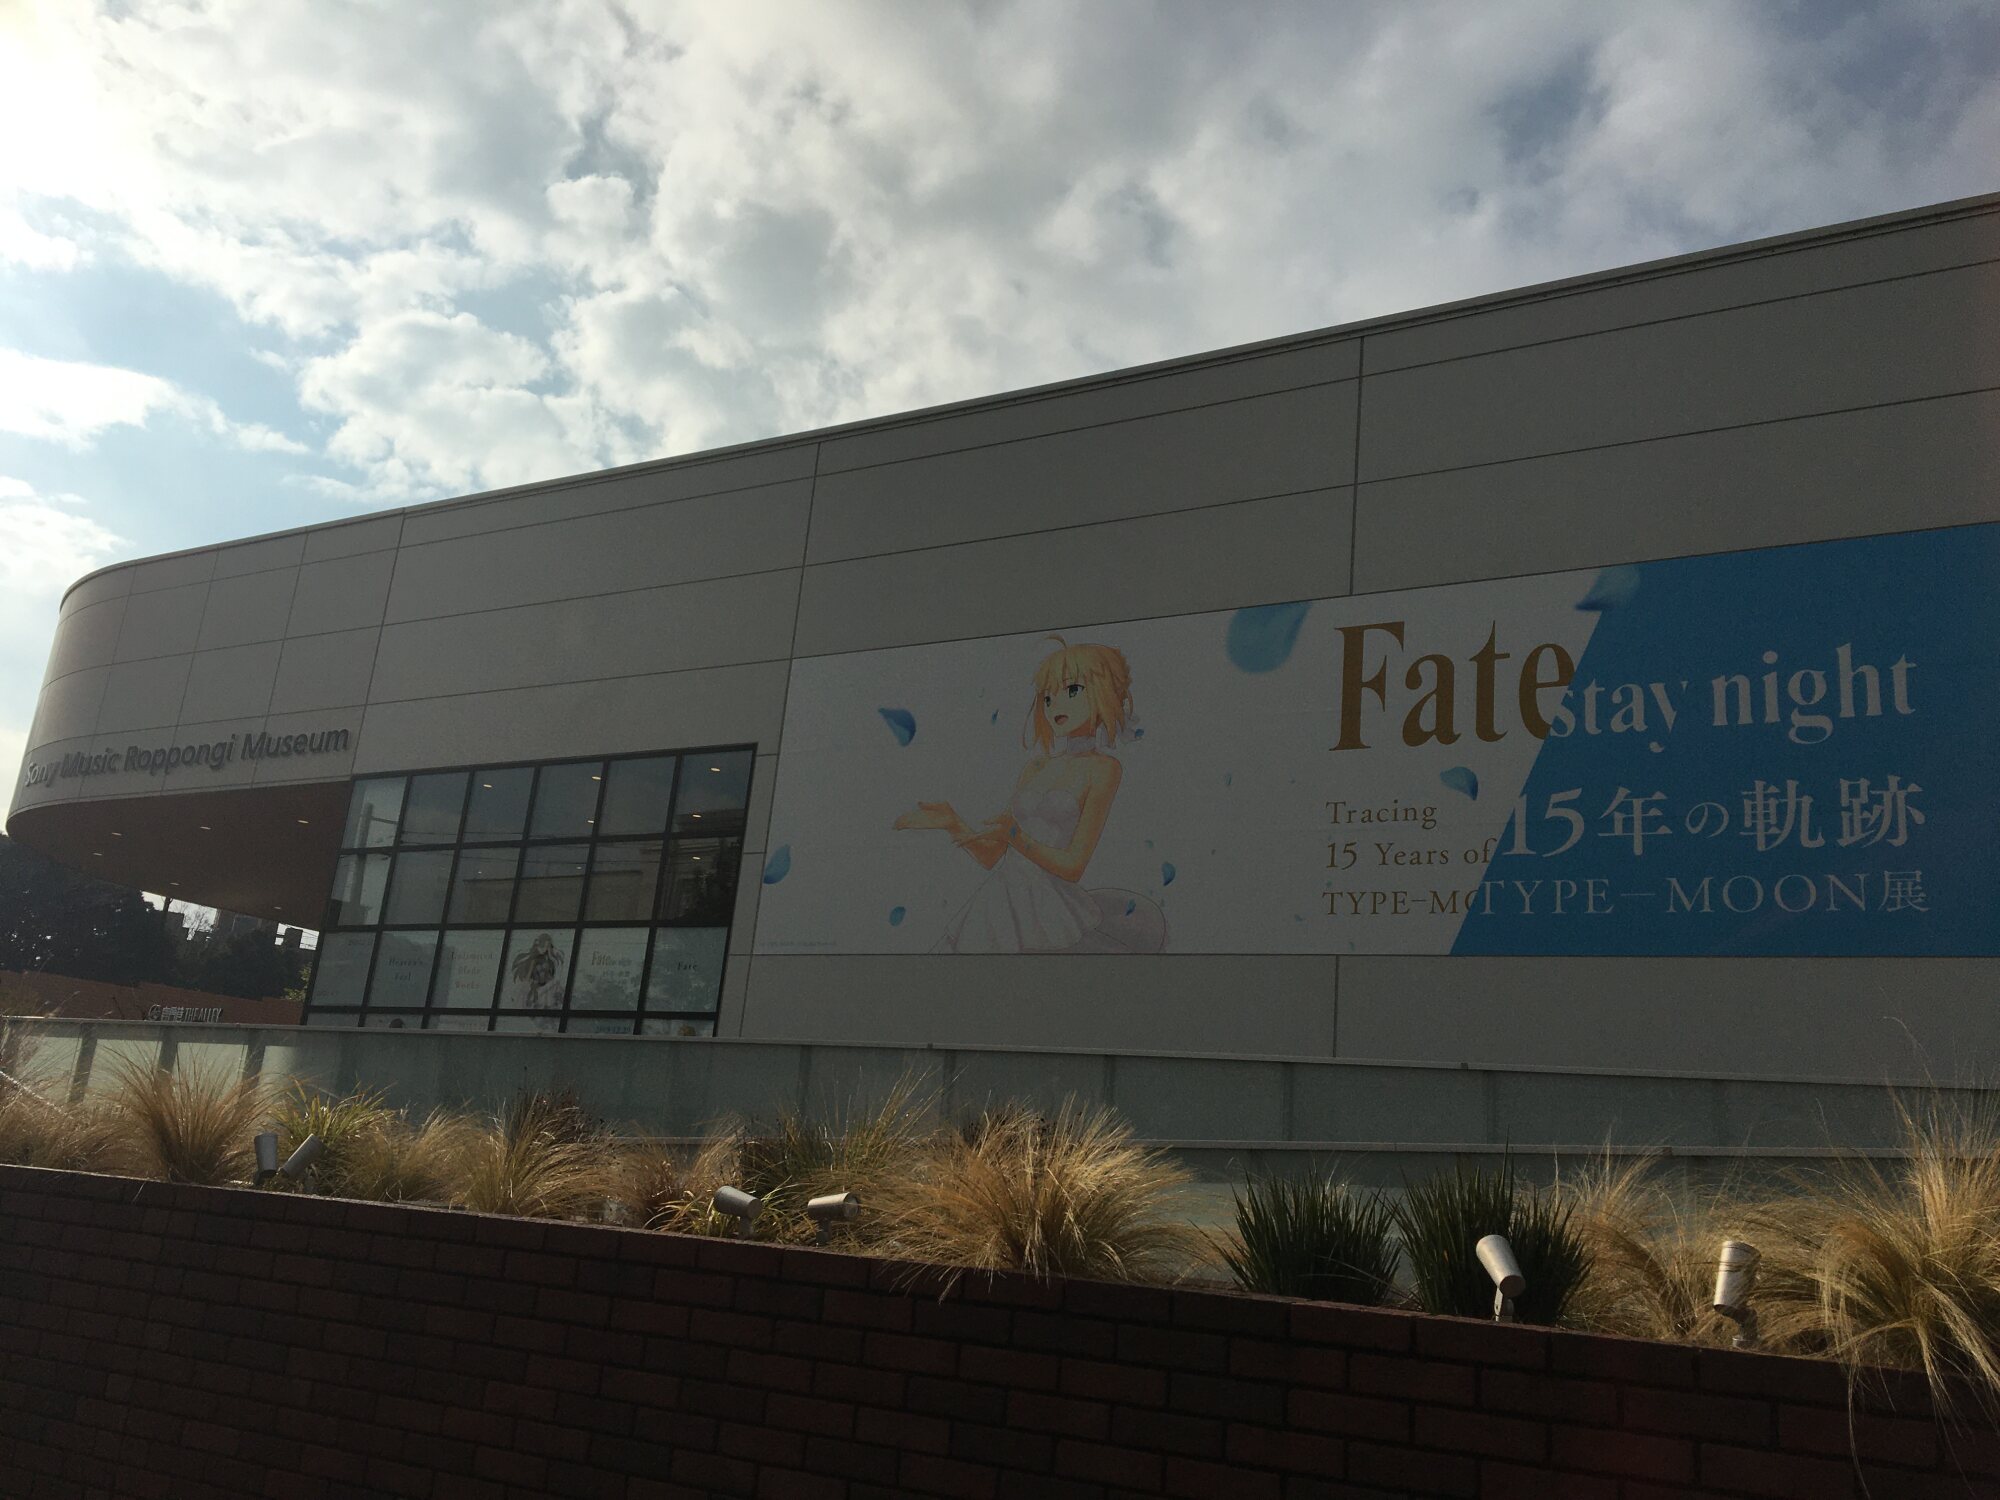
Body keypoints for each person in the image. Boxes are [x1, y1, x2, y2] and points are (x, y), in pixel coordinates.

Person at [894, 637, 1166, 953]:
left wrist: (1016, 837)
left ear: (1103, 692)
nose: (1055, 705)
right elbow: (994, 857)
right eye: (1047, 697)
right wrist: (953, 824)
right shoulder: (1036, 767)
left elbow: (1074, 866)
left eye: (1072, 690)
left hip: (1049, 912)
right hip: (999, 902)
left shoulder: (1104, 769)